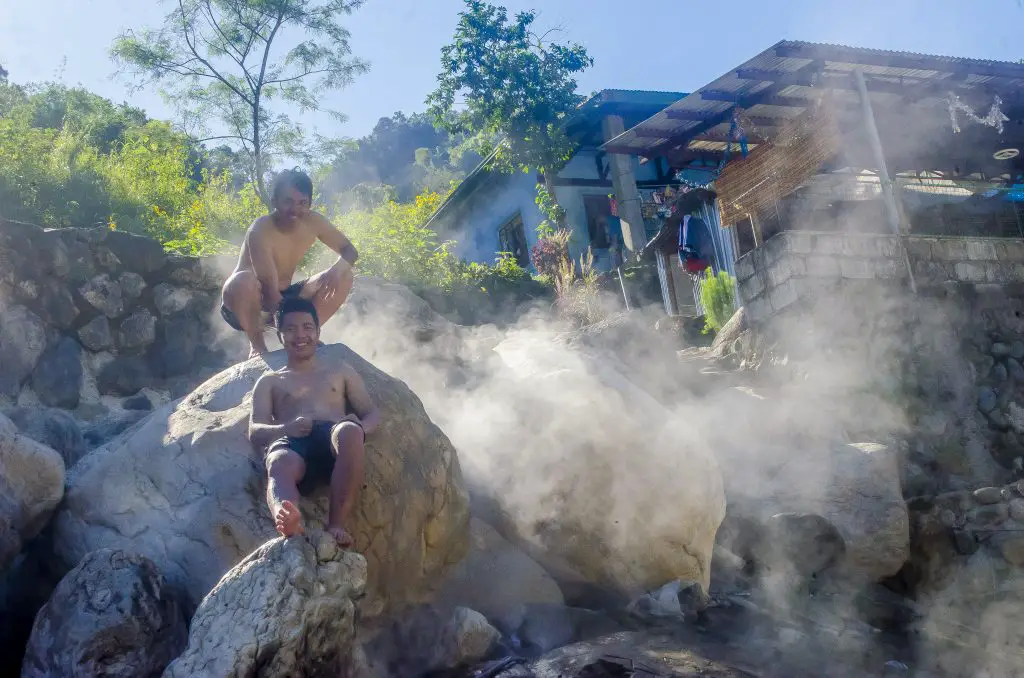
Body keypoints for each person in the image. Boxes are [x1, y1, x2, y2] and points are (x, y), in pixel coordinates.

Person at [248, 296, 380, 547]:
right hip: (293, 443)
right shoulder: (270, 381)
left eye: (307, 327)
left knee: (350, 431)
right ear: (280, 336)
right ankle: (288, 519)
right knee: (278, 461)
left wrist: (360, 429)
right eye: (291, 329)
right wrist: (286, 428)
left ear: (318, 331)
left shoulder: (340, 370)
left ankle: (336, 525)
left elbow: (371, 413)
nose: (300, 335)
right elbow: (255, 431)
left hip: (333, 437)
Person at [221, 168, 359, 357]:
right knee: (243, 281)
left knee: (344, 275)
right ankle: (257, 346)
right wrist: (291, 333)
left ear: (310, 203)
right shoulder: (260, 230)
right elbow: (270, 293)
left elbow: (350, 251)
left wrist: (336, 270)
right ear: (274, 201)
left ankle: (310, 335)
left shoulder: (314, 222)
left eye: (303, 203)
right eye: (288, 202)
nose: (295, 210)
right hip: (245, 304)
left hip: (284, 296)